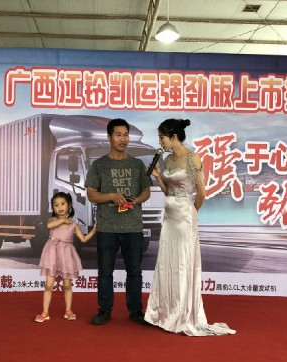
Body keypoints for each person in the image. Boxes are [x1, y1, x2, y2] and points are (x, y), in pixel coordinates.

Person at [144, 118, 236, 336]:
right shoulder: (167, 160)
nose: (160, 142)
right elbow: (169, 192)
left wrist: (192, 211)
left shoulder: (193, 158)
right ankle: (165, 313)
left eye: (162, 138)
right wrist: (158, 177)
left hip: (185, 216)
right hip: (169, 216)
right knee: (167, 263)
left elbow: (201, 192)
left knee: (184, 264)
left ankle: (183, 314)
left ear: (173, 136)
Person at [85, 118, 151, 325]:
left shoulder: (137, 164)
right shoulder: (99, 165)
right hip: (107, 227)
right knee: (105, 272)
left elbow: (146, 191)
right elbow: (91, 194)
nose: (123, 139)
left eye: (126, 135)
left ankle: (136, 311)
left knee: (135, 272)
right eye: (118, 135)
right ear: (109, 137)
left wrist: (137, 200)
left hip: (133, 226)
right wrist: (111, 196)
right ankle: (104, 310)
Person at [35, 192, 97, 323]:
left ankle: (68, 310)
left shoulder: (74, 224)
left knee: (67, 285)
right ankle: (45, 312)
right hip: (52, 253)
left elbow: (83, 239)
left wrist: (93, 230)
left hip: (66, 254)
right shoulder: (52, 220)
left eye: (62, 204)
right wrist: (63, 220)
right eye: (56, 205)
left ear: (69, 205)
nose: (59, 207)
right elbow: (49, 226)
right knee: (48, 285)